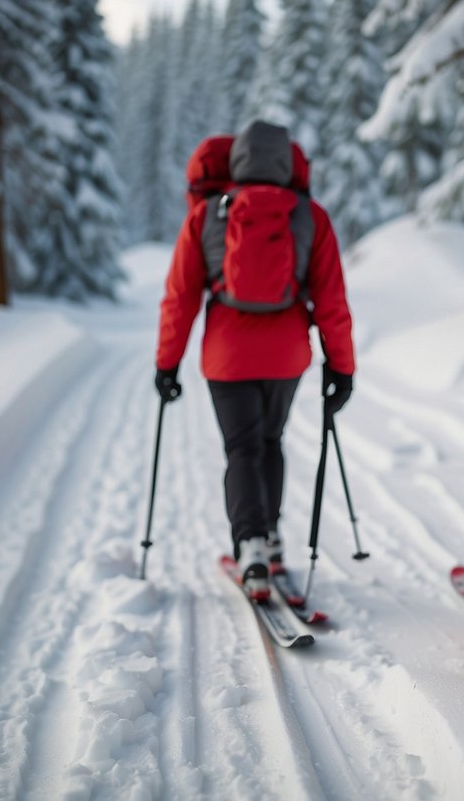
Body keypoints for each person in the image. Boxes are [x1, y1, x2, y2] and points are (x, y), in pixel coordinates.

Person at [155, 120, 356, 599]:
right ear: (287, 162)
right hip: (287, 354)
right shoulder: (310, 217)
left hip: (227, 357)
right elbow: (332, 301)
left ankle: (249, 546)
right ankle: (269, 535)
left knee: (240, 448)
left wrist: (167, 364)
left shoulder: (206, 216)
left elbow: (179, 298)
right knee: (271, 441)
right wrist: (341, 367)